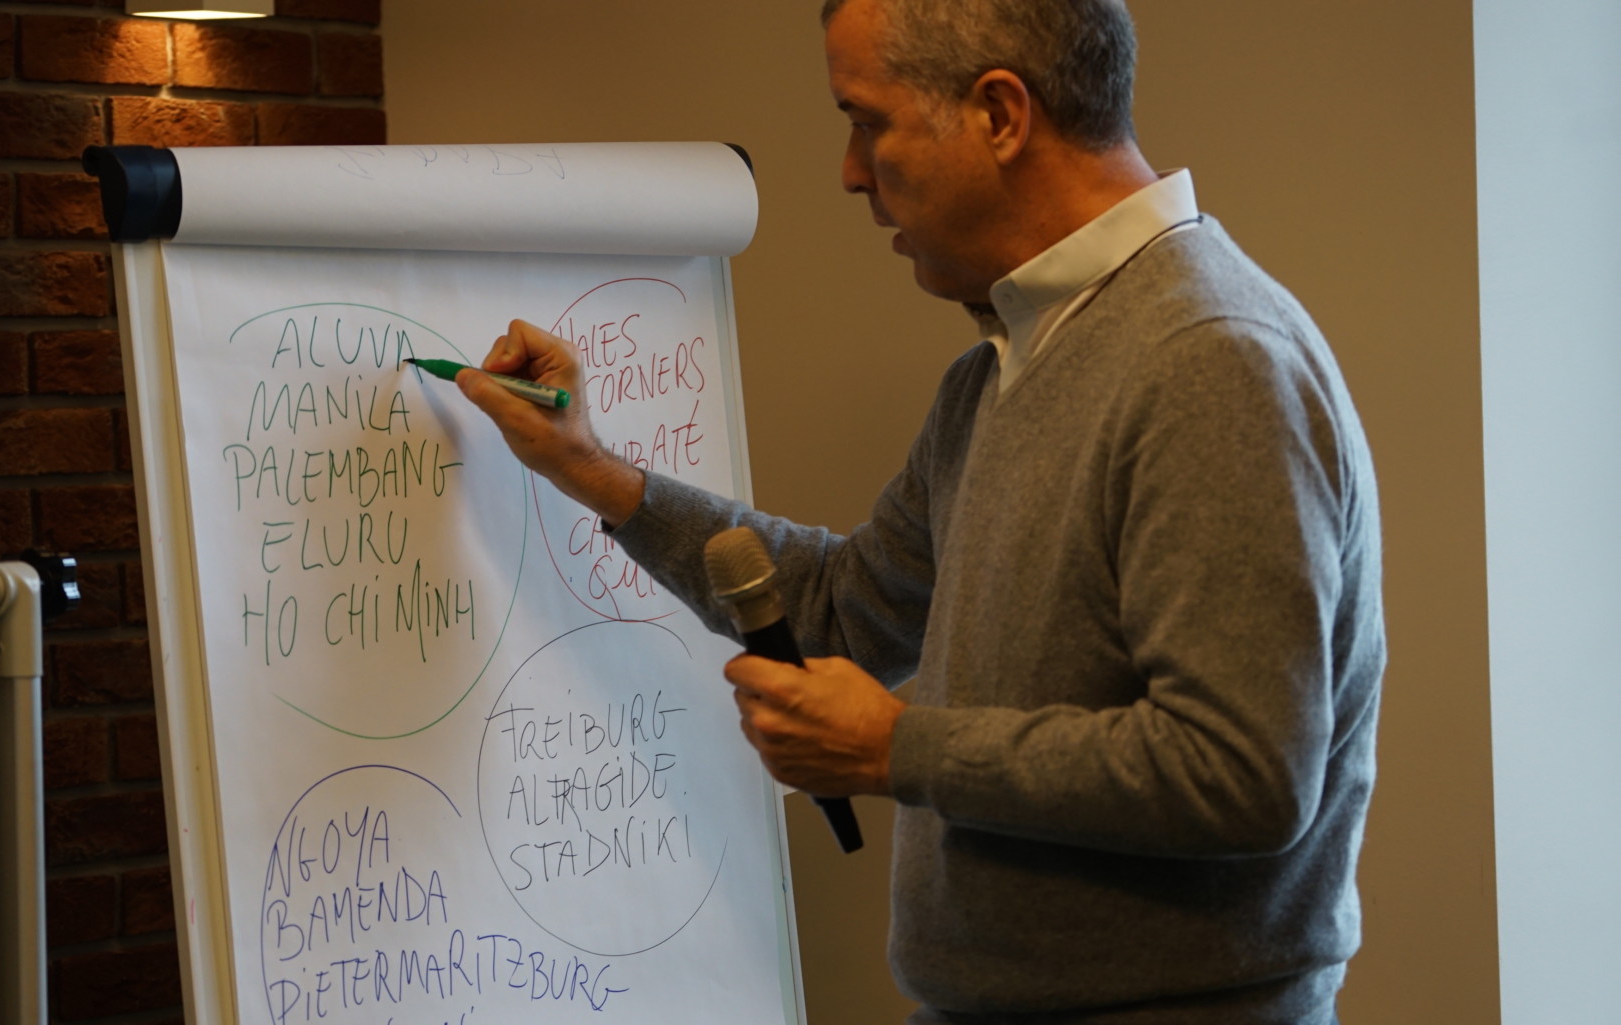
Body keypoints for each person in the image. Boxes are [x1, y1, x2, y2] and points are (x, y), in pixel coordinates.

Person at [456, 0, 1384, 1022]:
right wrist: (588, 467)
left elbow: (1240, 773)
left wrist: (896, 748)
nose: (851, 172)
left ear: (999, 115)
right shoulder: (997, 371)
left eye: (868, 122)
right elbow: (844, 610)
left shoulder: (1209, 360)